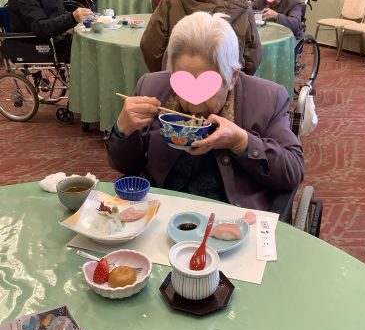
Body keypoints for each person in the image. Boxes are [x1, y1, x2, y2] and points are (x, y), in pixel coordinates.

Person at [105, 12, 304, 211]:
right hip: (159, 206)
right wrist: (122, 132)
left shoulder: (267, 98)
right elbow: (126, 166)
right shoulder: (151, 87)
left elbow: (293, 171)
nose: (194, 101)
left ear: (233, 77)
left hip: (227, 213)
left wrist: (241, 142)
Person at [140, 0, 262, 76]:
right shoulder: (243, 6)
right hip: (225, 89)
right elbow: (252, 58)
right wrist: (232, 79)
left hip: (178, 84)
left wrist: (168, 72)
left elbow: (150, 47)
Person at [7, 0, 92, 62]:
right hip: (36, 43)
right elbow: (40, 28)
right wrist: (72, 18)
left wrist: (71, 26)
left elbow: (58, 15)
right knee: (89, 52)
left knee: (90, 44)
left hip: (56, 38)